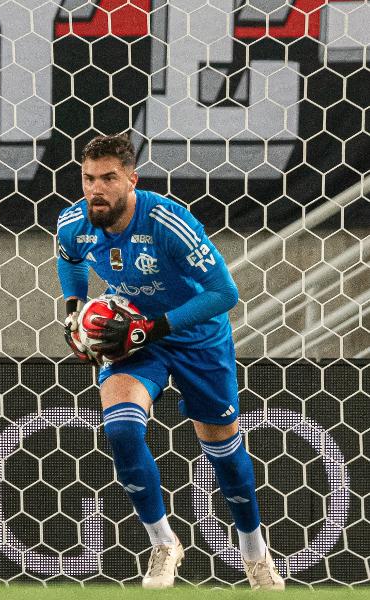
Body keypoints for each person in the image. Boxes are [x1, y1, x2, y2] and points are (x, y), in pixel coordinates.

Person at [56, 133, 284, 590]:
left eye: (108, 179)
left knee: (222, 452)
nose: (95, 189)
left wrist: (153, 327)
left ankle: (254, 550)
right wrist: (74, 310)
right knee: (120, 430)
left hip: (197, 337)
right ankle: (163, 544)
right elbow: (70, 259)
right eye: (88, 178)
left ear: (131, 180)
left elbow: (225, 295)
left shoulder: (167, 220)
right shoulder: (74, 222)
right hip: (133, 338)